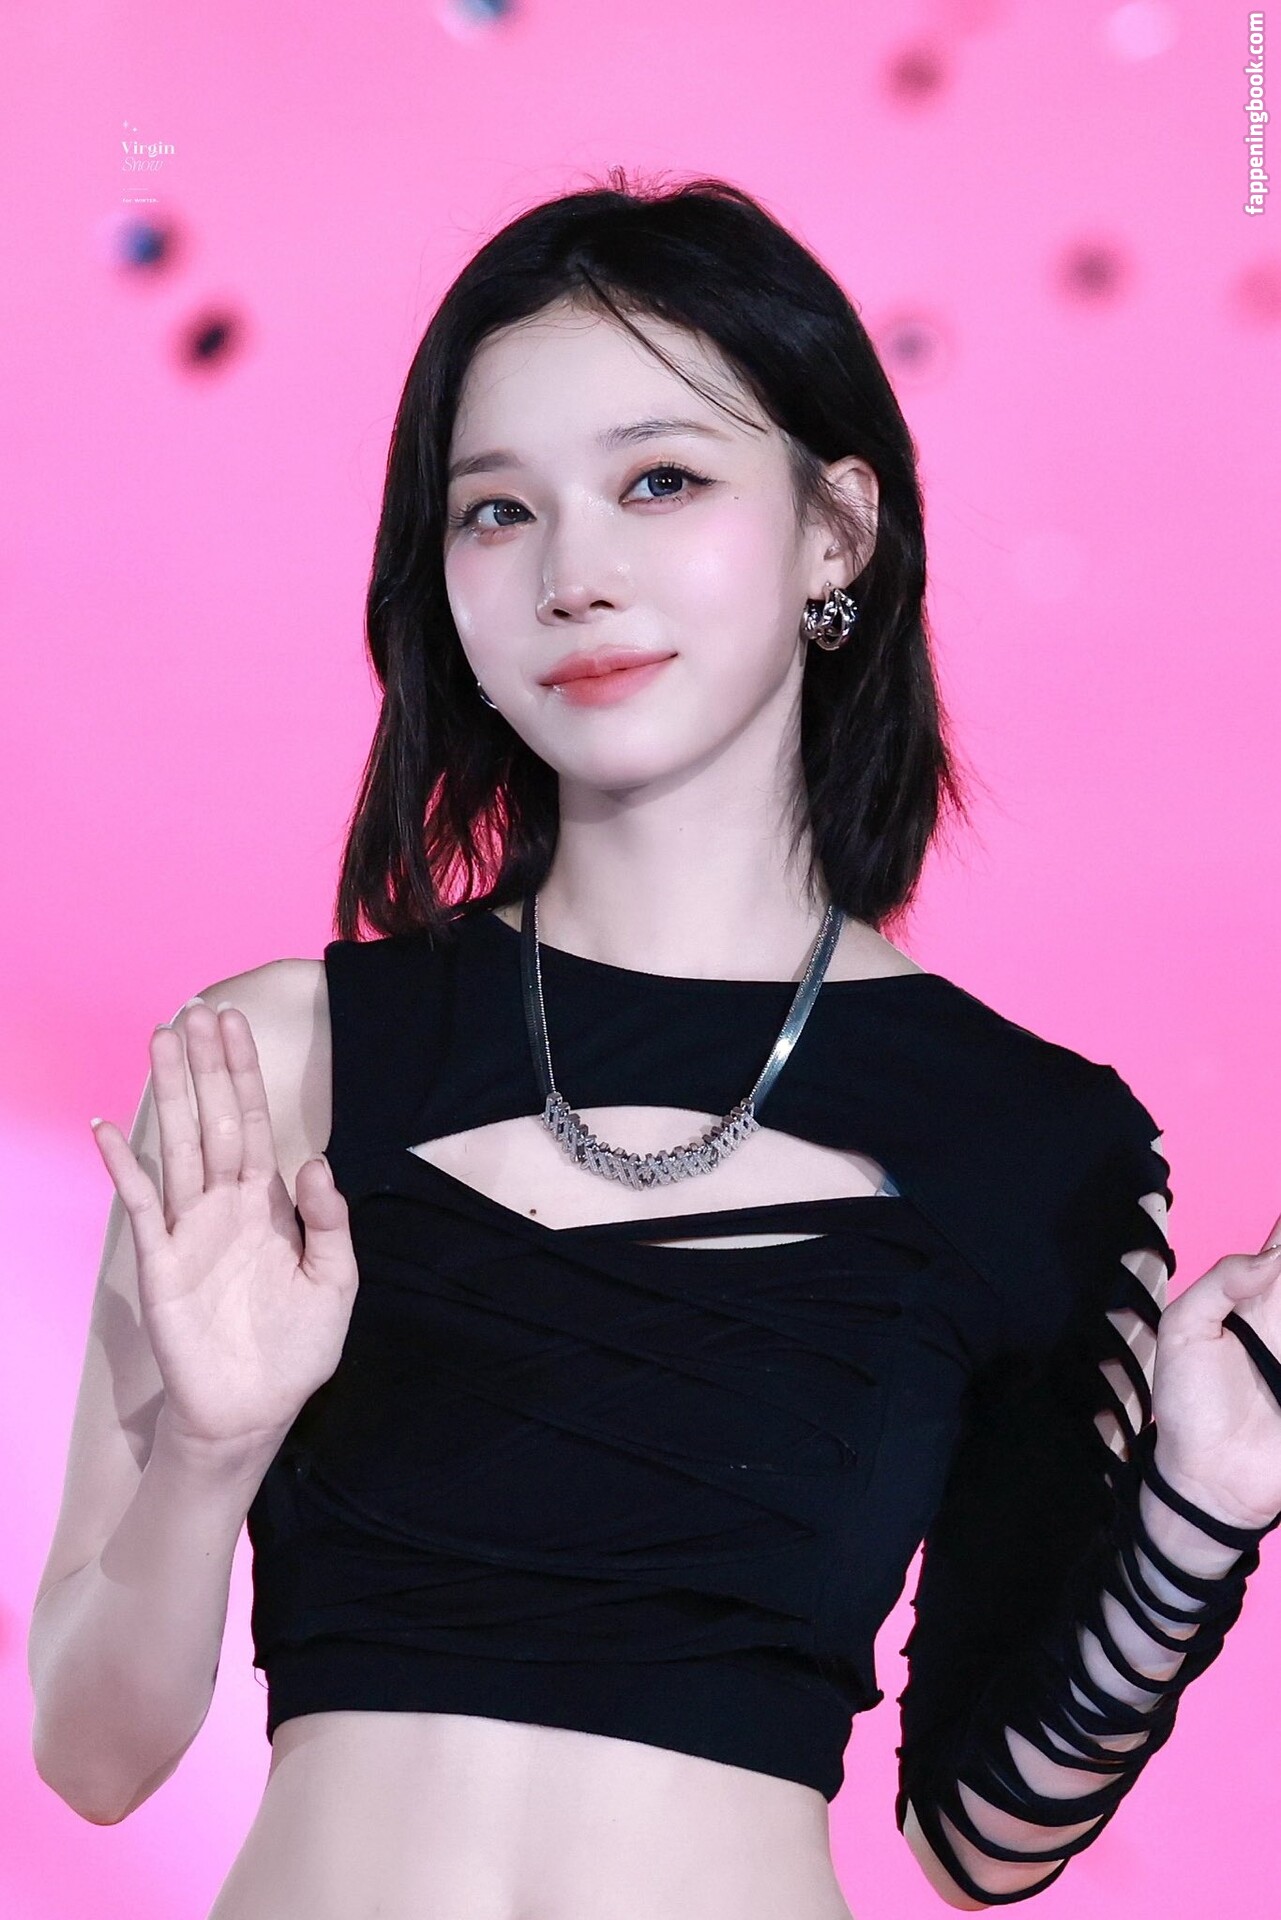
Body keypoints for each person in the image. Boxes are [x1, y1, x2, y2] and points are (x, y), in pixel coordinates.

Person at [27, 171, 1281, 1920]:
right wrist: (214, 1452)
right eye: (496, 511)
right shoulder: (276, 1062)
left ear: (835, 530)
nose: (574, 576)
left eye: (659, 481)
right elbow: (90, 1757)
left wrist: (1199, 1505)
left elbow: (980, 1840)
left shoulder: (1030, 1140)